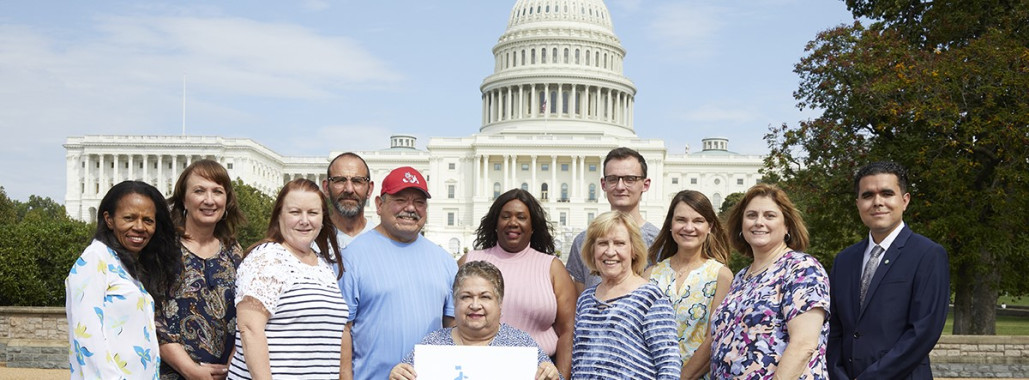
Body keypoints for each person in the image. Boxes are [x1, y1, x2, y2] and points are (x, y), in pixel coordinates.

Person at [827, 162, 950, 379]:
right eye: (867, 195)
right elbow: (834, 328)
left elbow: (923, 332)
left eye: (887, 193)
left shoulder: (928, 255)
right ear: (858, 204)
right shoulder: (844, 260)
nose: (877, 202)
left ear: (905, 201)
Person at [340, 166, 459, 380]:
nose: (410, 208)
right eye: (400, 200)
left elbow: (454, 328)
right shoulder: (351, 258)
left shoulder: (445, 262)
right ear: (379, 204)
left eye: (419, 202)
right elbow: (342, 331)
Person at [228, 178, 347, 379]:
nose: (304, 220)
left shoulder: (322, 265)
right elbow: (250, 330)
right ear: (279, 217)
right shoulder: (267, 258)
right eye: (295, 212)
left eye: (312, 212)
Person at [710, 184, 830, 379]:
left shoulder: (801, 268)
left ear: (787, 226)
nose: (759, 222)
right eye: (751, 215)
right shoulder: (741, 277)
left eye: (769, 216)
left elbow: (803, 345)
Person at [65, 180, 182, 379]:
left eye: (148, 220)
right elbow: (87, 338)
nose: (139, 227)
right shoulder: (94, 259)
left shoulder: (127, 266)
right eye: (129, 218)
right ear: (109, 220)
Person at [459, 189, 576, 379]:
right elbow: (452, 321)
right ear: (495, 224)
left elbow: (568, 331)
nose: (513, 222)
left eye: (521, 217)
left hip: (540, 372)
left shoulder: (552, 267)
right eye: (506, 216)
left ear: (532, 226)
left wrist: (561, 376)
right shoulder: (469, 261)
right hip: (476, 369)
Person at [388, 261, 562, 380]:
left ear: (499, 303)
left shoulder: (521, 346)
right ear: (455, 302)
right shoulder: (432, 345)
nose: (475, 305)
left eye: (485, 297)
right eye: (466, 297)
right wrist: (397, 375)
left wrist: (551, 375)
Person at [156, 160, 245, 380]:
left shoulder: (234, 252)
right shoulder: (162, 248)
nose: (209, 200)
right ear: (184, 199)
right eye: (199, 191)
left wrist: (232, 367)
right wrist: (190, 370)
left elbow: (247, 313)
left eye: (217, 192)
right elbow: (151, 316)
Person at [571, 211, 681, 380]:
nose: (610, 251)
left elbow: (669, 366)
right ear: (592, 250)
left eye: (619, 243)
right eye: (602, 243)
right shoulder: (585, 300)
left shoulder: (650, 298)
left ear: (633, 250)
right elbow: (578, 362)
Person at [642, 190, 733, 380]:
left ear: (710, 227)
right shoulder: (650, 275)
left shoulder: (721, 276)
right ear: (670, 225)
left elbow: (713, 338)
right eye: (681, 220)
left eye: (698, 221)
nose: (689, 227)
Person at [566, 147, 659, 295]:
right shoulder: (583, 241)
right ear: (604, 184)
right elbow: (579, 302)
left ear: (645, 184)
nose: (620, 187)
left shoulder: (659, 242)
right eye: (613, 179)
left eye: (630, 179)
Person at [322, 152, 376, 247]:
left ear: (369, 189)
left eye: (357, 181)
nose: (349, 189)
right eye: (340, 180)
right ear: (326, 188)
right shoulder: (311, 240)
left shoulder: (384, 241)